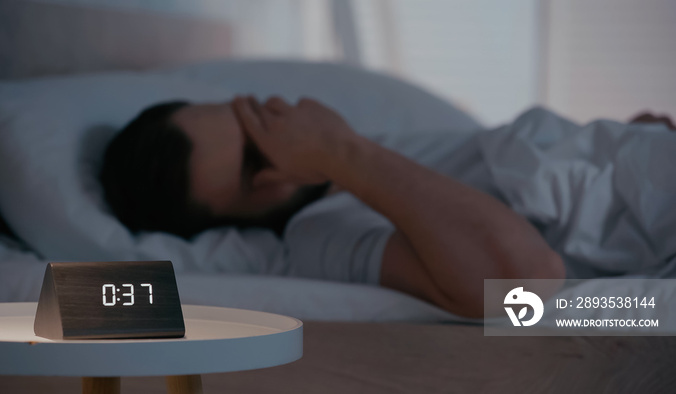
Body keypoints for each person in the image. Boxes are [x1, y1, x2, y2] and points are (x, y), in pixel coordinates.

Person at [100, 95, 673, 318]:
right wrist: (337, 150)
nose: (280, 127)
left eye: (251, 113)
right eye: (256, 160)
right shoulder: (323, 234)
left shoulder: (378, 154)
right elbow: (526, 285)